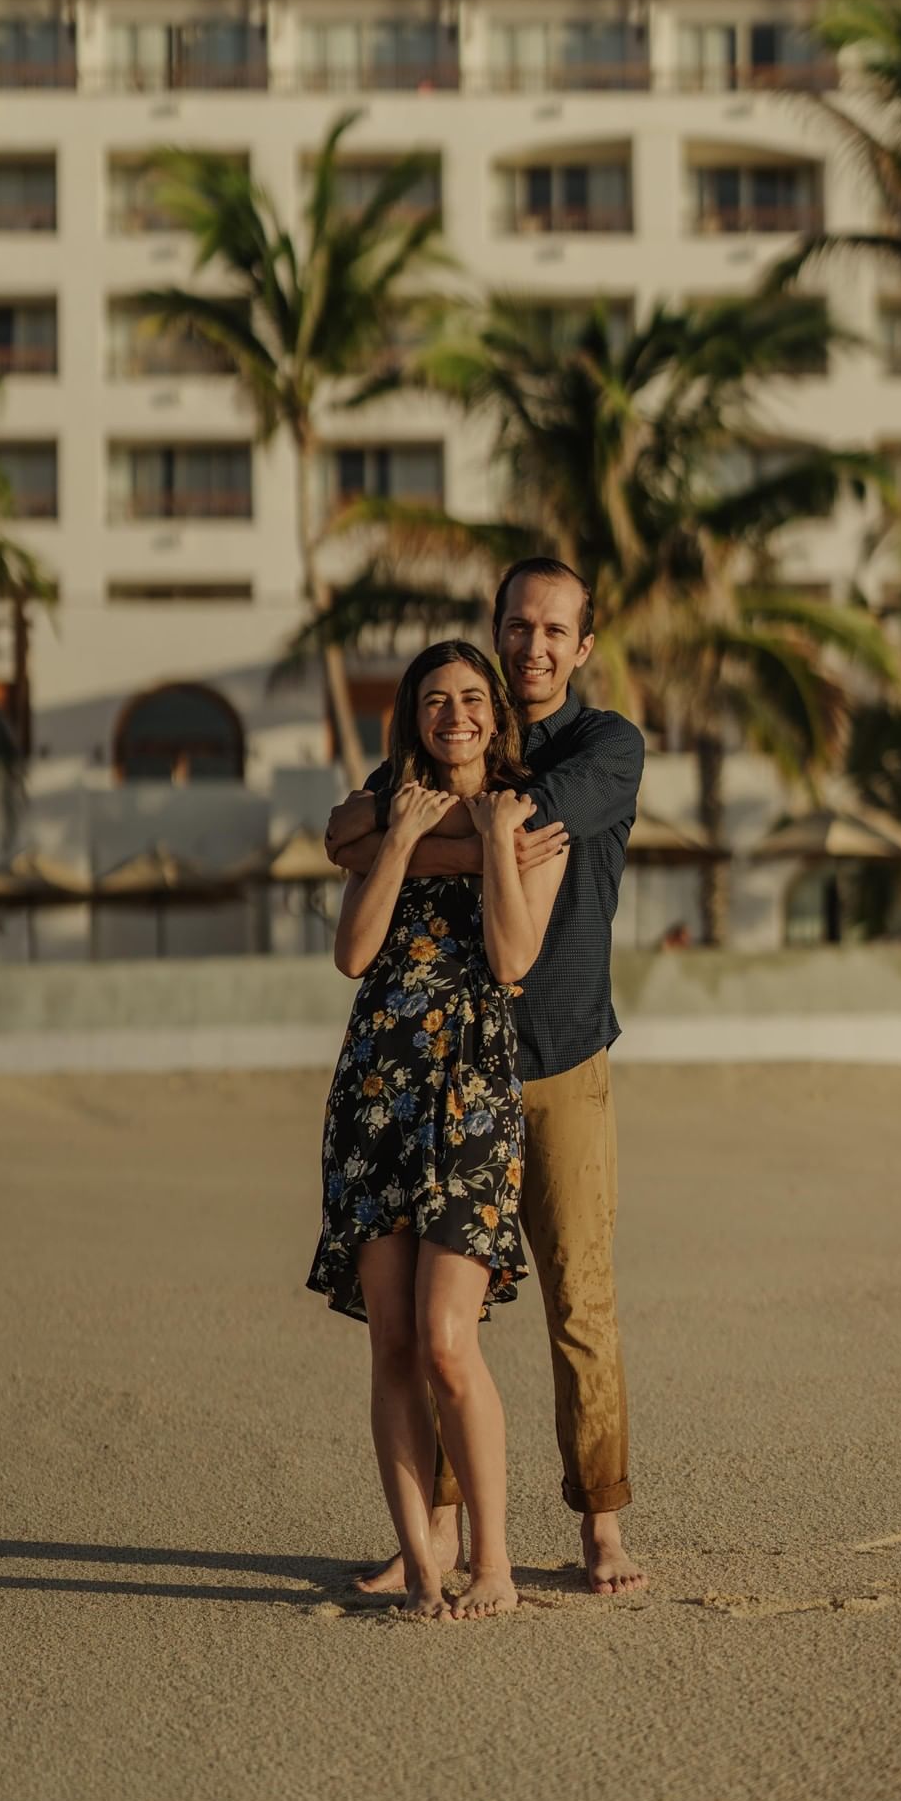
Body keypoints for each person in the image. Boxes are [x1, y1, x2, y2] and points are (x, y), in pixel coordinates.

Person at [326, 558, 648, 1596]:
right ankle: (436, 1527)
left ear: (582, 645)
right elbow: (340, 828)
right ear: (496, 626)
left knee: (575, 1294)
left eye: (554, 630)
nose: (532, 646)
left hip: (555, 1056)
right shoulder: (461, 728)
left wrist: (403, 836)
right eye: (518, 625)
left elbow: (496, 829)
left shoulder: (606, 746)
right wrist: (408, 830)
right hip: (437, 1075)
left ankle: (600, 1523)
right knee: (439, 1322)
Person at [309, 640, 568, 1621]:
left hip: (472, 1095)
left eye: (469, 698)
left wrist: (491, 841)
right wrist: (400, 840)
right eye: (433, 700)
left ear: (494, 714)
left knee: (447, 1340)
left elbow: (509, 959)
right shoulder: (388, 808)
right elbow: (352, 952)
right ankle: (422, 1564)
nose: (452, 714)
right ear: (412, 717)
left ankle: (493, 1562)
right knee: (390, 1342)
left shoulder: (530, 818)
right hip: (376, 1091)